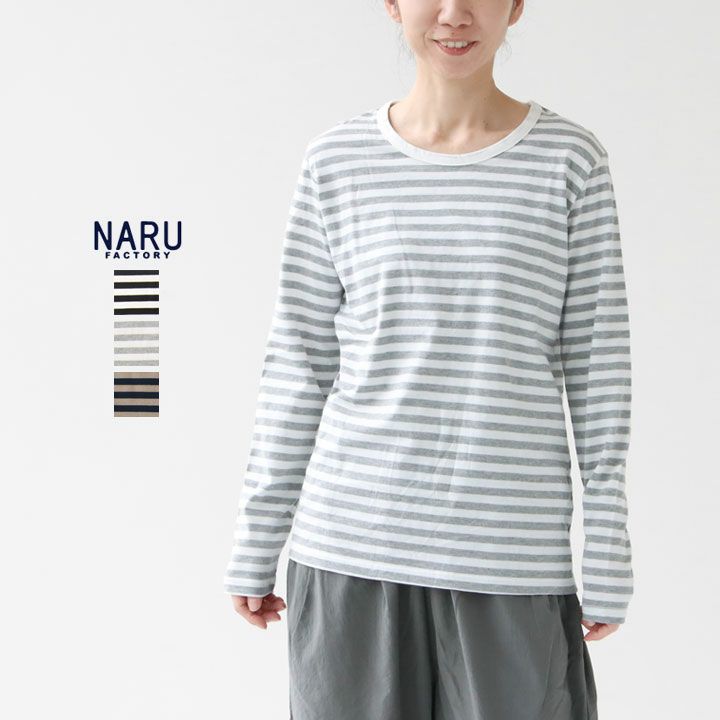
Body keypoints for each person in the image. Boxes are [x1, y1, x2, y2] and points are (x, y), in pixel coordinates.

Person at [224, 1, 633, 718]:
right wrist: (258, 535)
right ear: (392, 4)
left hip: (509, 556)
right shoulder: (337, 161)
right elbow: (299, 363)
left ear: (515, 6)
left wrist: (606, 542)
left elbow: (598, 365)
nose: (453, 14)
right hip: (351, 549)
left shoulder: (570, 160)